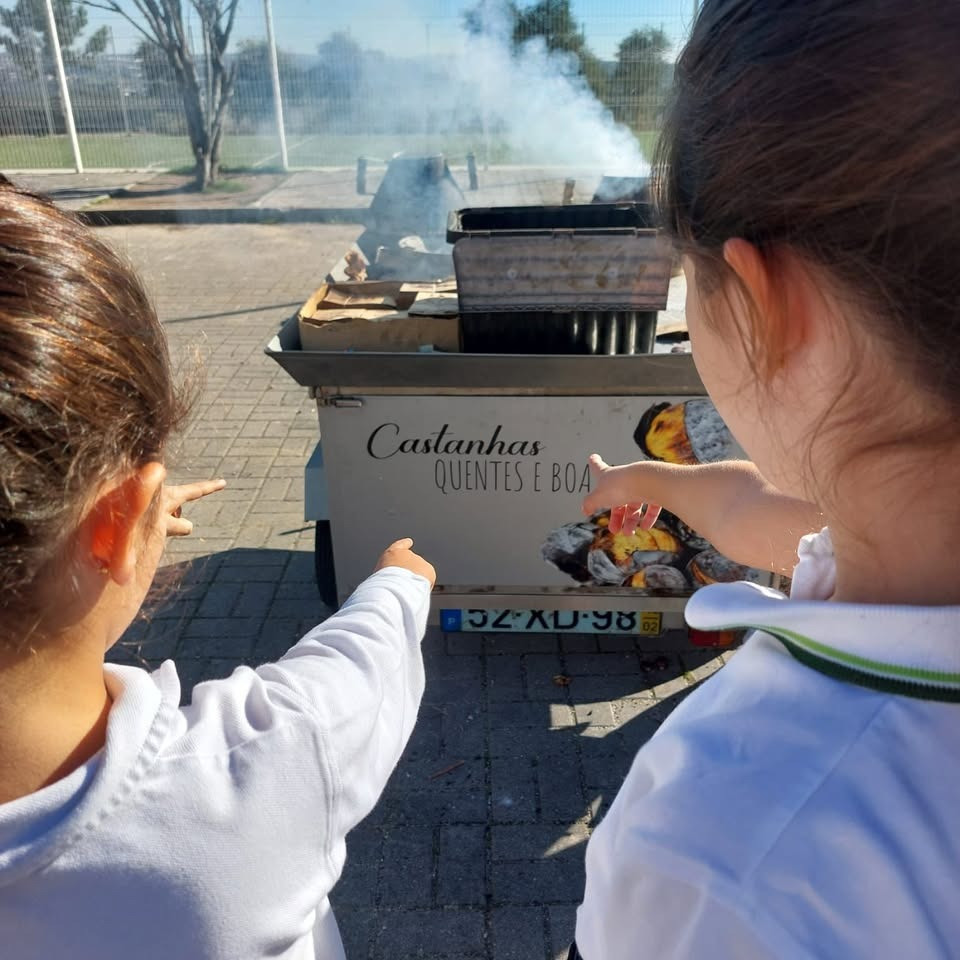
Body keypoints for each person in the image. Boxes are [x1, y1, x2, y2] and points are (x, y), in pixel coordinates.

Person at [573, 1, 960, 957]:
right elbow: (757, 513)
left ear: (763, 302)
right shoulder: (900, 549)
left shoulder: (720, 847)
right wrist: (643, 476)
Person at [0, 182, 436, 959]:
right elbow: (360, 665)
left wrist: (113, 537)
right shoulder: (253, 772)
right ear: (115, 525)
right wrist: (402, 578)